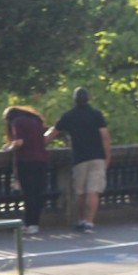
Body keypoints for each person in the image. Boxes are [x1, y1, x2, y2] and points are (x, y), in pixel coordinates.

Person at [45, 87, 111, 231]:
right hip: (97, 156)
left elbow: (53, 132)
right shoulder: (96, 114)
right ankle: (89, 221)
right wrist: (107, 156)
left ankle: (81, 219)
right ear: (89, 98)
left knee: (80, 192)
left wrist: (39, 142)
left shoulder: (69, 115)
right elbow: (105, 137)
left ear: (74, 99)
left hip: (80, 158)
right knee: (93, 191)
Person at [2, 105, 49, 234]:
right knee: (38, 193)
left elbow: (19, 142)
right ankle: (35, 224)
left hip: (26, 161)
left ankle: (29, 224)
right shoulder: (37, 120)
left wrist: (8, 148)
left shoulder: (17, 122)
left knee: (29, 194)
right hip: (42, 160)